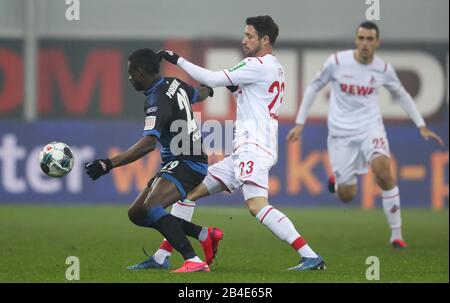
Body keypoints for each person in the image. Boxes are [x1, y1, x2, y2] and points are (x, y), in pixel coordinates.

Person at [135, 15, 325, 271]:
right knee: (188, 192)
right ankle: (162, 257)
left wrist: (176, 59)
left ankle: (310, 255)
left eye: (249, 36)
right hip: (246, 151)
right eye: (244, 35)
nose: (243, 40)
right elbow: (236, 89)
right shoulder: (273, 67)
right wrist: (220, 86)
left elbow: (214, 79)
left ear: (265, 39)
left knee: (257, 206)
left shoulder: (258, 64)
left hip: (254, 148)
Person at [286, 21, 444, 249]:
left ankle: (396, 235)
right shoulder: (338, 62)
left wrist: (421, 125)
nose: (365, 43)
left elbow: (402, 95)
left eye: (370, 39)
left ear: (377, 42)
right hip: (341, 134)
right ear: (355, 40)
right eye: (361, 38)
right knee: (347, 195)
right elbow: (313, 87)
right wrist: (300, 123)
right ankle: (338, 182)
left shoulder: (383, 69)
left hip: (371, 129)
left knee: (383, 172)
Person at [85, 48, 222, 273]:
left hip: (188, 162)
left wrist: (107, 164)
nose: (129, 78)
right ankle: (204, 234)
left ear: (140, 72)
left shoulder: (156, 99)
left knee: (153, 206)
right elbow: (198, 94)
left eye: (130, 73)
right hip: (179, 161)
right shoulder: (174, 83)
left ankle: (193, 261)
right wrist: (209, 88)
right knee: (137, 213)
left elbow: (149, 143)